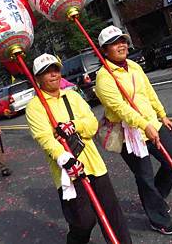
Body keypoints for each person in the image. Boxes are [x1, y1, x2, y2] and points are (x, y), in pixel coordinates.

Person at [26, 53, 132, 244]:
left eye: (55, 69)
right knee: (83, 221)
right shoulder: (35, 107)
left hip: (94, 164)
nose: (53, 75)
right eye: (46, 72)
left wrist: (74, 125)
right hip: (67, 169)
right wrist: (64, 159)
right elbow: (45, 138)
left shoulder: (73, 95)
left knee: (112, 214)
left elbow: (91, 124)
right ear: (37, 78)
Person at [94, 25, 172, 236]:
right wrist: (144, 125)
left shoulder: (133, 65)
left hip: (153, 124)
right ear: (104, 50)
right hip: (129, 134)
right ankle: (158, 218)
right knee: (144, 176)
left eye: (123, 40)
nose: (121, 45)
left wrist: (162, 114)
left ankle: (156, 200)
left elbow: (148, 92)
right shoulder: (104, 77)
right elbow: (119, 108)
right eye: (115, 43)